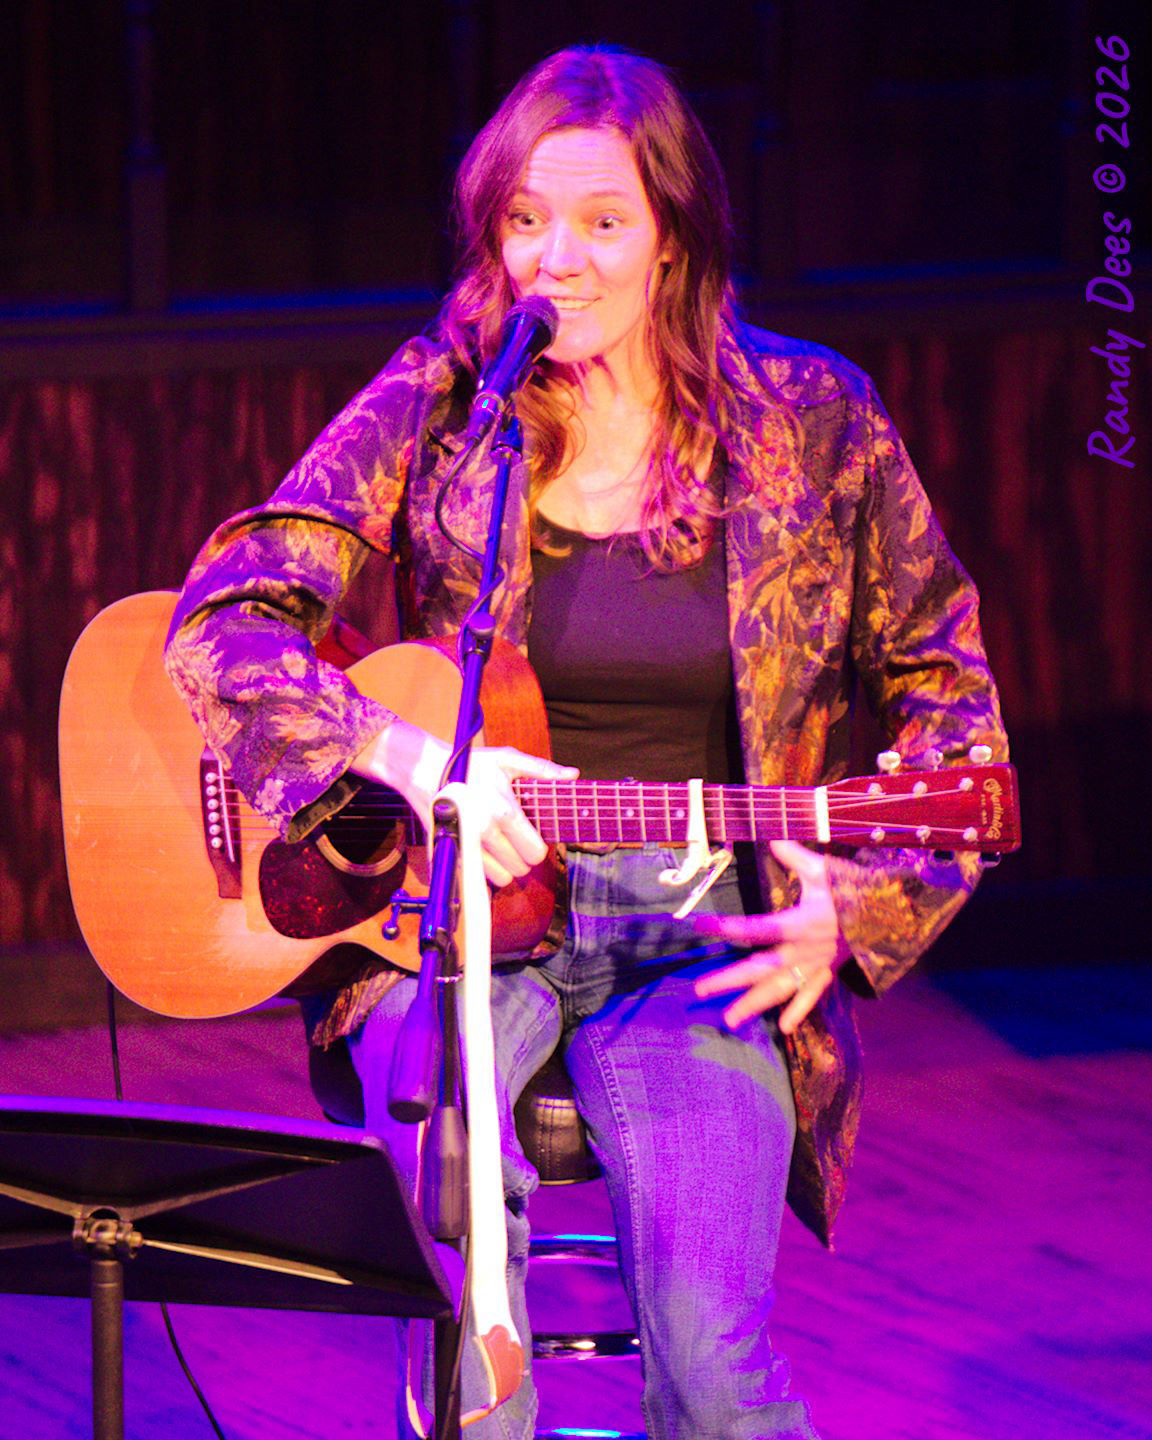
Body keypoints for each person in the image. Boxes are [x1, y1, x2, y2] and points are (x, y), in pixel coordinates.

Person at [164, 45, 1008, 1440]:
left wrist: (850, 918)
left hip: (704, 944)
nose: (558, 260)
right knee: (472, 1333)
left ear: (675, 236)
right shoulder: (446, 401)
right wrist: (405, 756)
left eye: (604, 222)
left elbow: (952, 701)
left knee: (709, 1363)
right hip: (445, 925)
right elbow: (226, 616)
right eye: (525, 222)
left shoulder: (815, 422)